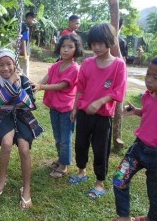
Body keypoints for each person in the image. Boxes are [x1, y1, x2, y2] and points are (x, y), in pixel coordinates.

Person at [111, 52, 157, 221]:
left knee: (155, 194)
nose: (149, 80)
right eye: (148, 74)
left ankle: (152, 218)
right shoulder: (148, 95)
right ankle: (123, 216)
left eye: (156, 77)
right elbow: (149, 114)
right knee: (119, 179)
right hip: (138, 148)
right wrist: (136, 111)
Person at [68, 23, 127, 200]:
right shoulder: (87, 63)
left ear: (110, 41)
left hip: (103, 117)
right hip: (84, 113)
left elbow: (119, 90)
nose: (97, 47)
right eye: (93, 43)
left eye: (101, 43)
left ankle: (99, 182)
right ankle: (81, 171)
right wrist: (75, 107)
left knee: (101, 149)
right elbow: (80, 88)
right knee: (80, 144)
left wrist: (100, 101)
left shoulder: (118, 65)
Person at [0, 49, 44, 209]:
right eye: (1, 65)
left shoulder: (24, 80)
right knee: (6, 143)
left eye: (9, 64)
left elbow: (30, 104)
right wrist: (12, 84)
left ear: (14, 64)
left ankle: (26, 189)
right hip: (5, 116)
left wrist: (16, 85)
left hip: (24, 116)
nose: (5, 68)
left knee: (24, 148)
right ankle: (1, 182)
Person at [32, 34, 83, 178]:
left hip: (67, 109)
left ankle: (64, 165)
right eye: (63, 46)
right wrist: (37, 85)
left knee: (65, 138)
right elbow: (47, 77)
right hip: (54, 107)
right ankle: (61, 158)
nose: (66, 50)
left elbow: (62, 86)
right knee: (57, 136)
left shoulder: (75, 69)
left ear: (76, 49)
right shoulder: (56, 65)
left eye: (70, 47)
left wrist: (42, 86)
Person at [20, 12, 36, 77]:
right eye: (33, 19)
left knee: (19, 68)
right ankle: (25, 84)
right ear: (28, 18)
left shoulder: (23, 26)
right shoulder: (26, 28)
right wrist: (25, 54)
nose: (34, 20)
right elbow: (23, 40)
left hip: (20, 51)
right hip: (23, 52)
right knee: (25, 70)